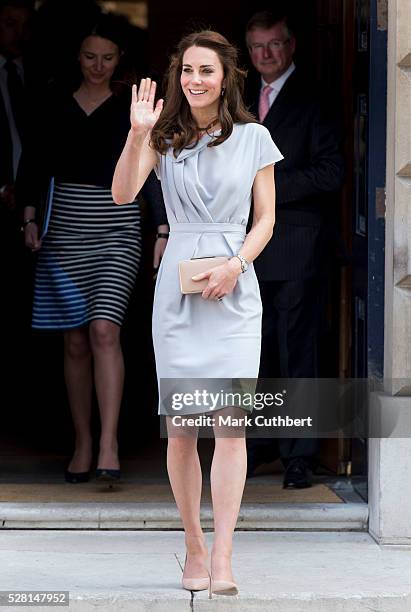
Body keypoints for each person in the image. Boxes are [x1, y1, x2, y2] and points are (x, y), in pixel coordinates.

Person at [112, 30, 282, 597]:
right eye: (187, 70)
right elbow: (121, 194)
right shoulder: (163, 136)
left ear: (226, 76)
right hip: (178, 288)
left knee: (230, 427)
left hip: (235, 288)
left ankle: (226, 553)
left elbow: (265, 221)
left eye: (206, 70)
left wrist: (236, 265)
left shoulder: (255, 137)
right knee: (182, 429)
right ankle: (193, 545)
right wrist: (137, 135)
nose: (195, 80)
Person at [16, 13, 168, 484]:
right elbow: (34, 163)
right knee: (75, 338)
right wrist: (29, 218)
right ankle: (82, 439)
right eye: (89, 57)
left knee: (105, 329)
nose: (97, 66)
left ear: (120, 58)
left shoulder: (130, 105)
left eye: (107, 57)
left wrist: (161, 227)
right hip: (64, 229)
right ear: (76, 57)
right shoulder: (52, 99)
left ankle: (109, 441)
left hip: (118, 228)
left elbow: (150, 164)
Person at [244, 10, 345, 488]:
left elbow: (331, 172)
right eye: (257, 47)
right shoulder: (240, 95)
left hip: (298, 244)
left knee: (296, 349)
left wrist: (265, 188)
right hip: (245, 248)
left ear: (291, 45)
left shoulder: (316, 97)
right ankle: (262, 442)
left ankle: (299, 455)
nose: (266, 55)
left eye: (274, 45)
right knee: (255, 350)